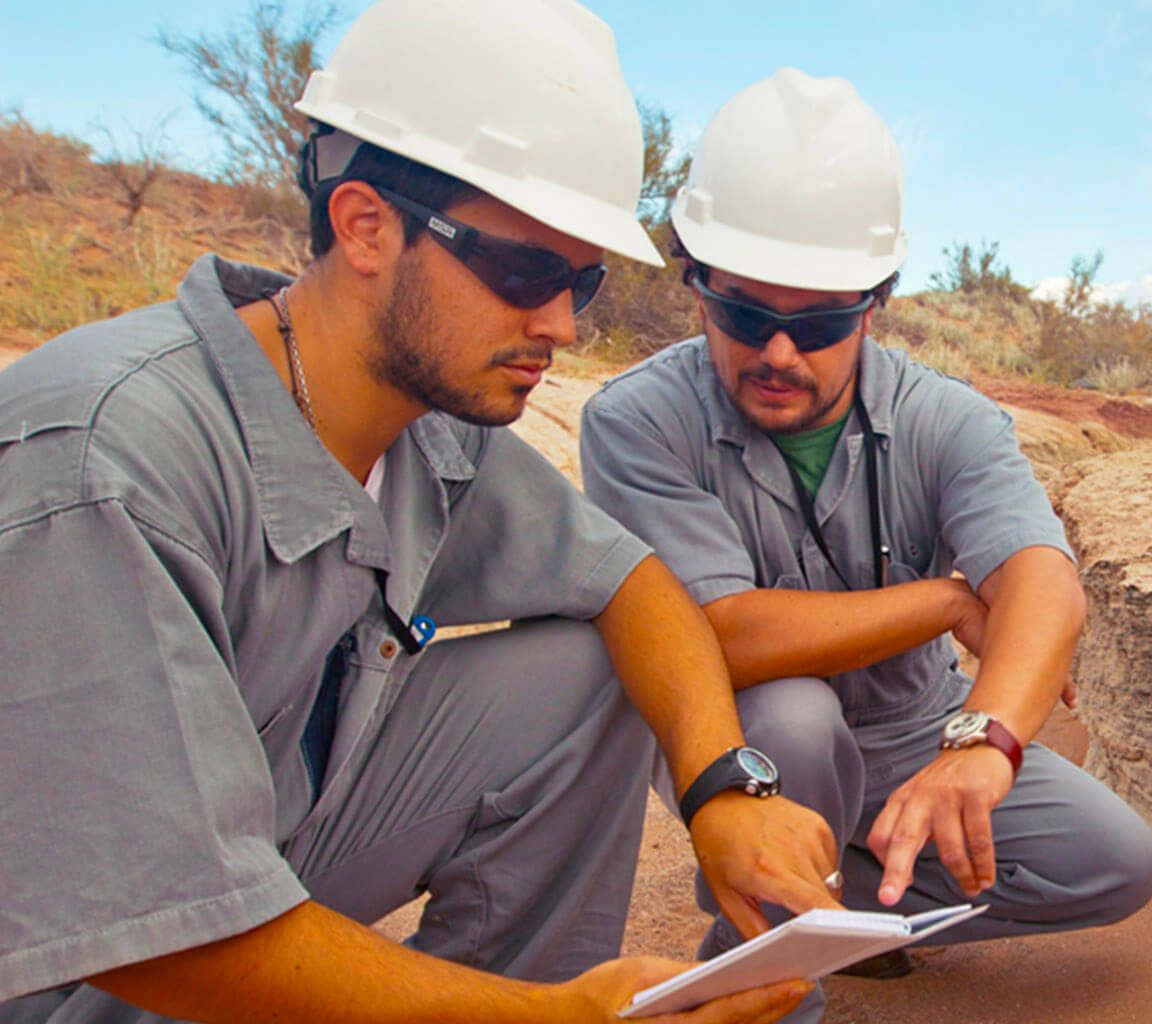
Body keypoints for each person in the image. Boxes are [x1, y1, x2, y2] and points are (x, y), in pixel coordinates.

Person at [0, 6, 840, 1023]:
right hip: (80, 964)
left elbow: (633, 584)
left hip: (250, 865)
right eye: (527, 271)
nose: (563, 325)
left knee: (587, 671)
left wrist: (719, 787)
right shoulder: (106, 456)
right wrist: (554, 1016)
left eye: (585, 281)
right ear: (363, 224)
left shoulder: (421, 422)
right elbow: (153, 922)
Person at [580, 68, 1152, 1022]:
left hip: (910, 728)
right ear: (696, 287)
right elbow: (722, 635)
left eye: (815, 324)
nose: (777, 353)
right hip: (746, 739)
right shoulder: (633, 421)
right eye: (744, 315)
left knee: (1112, 866)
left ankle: (839, 919)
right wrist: (943, 601)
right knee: (795, 715)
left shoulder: (952, 421)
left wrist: (986, 742)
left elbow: (1046, 587)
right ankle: (767, 975)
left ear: (874, 302)